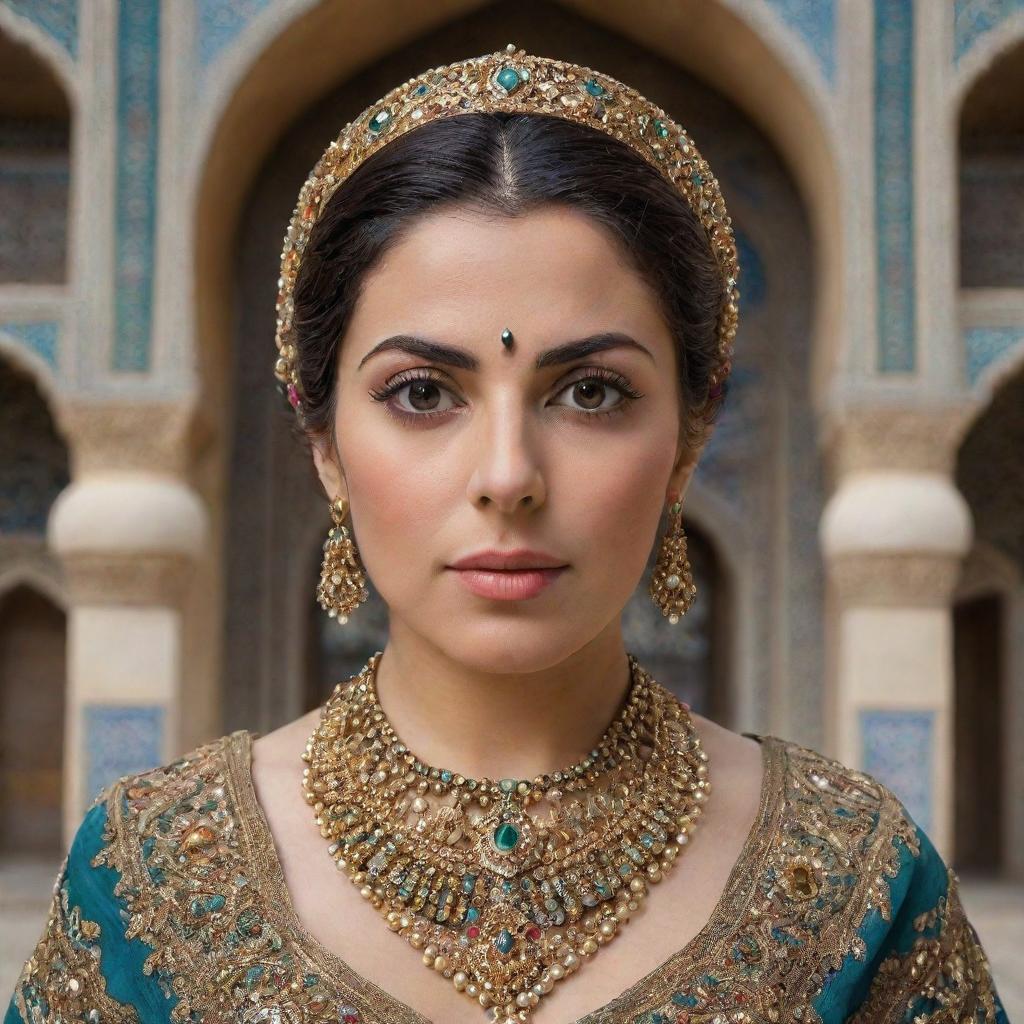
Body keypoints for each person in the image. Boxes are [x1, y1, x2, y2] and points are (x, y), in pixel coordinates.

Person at [6, 44, 1008, 1024]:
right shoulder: (145, 877)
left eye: (590, 391)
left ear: (689, 436)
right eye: (422, 392)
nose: (506, 478)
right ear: (322, 442)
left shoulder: (853, 878)